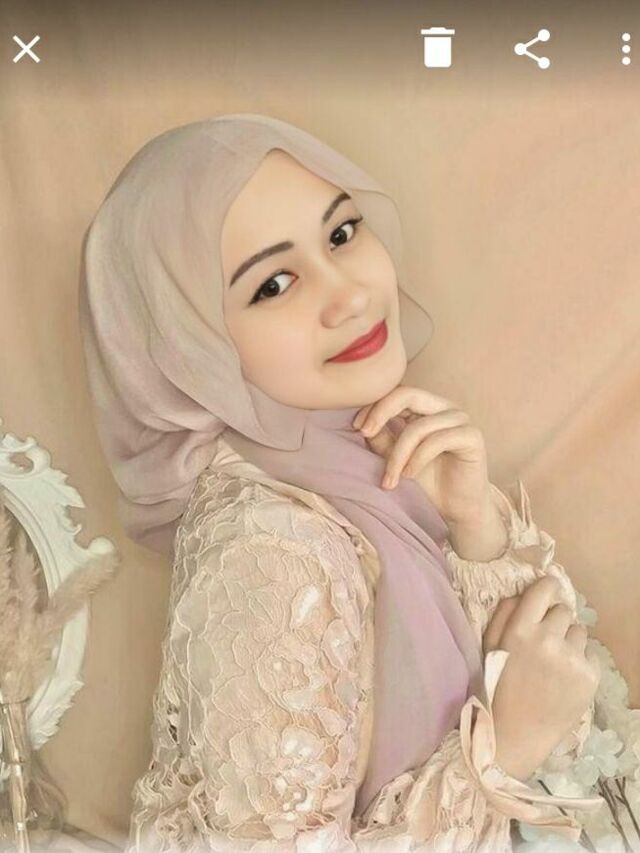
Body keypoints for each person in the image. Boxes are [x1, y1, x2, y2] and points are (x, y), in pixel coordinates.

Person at [78, 114, 606, 851]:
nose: (349, 295)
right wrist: (501, 752)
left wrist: (475, 530)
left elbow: (570, 709)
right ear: (190, 345)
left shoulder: (372, 456)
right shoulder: (268, 547)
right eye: (274, 284)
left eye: (342, 233)